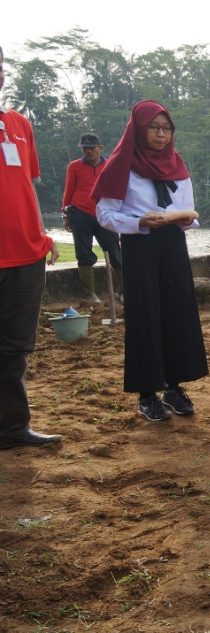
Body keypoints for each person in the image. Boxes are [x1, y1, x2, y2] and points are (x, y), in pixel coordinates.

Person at [94, 100, 209, 422]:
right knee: (145, 314)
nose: (161, 135)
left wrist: (182, 218)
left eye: (166, 128)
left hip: (172, 242)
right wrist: (138, 223)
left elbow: (189, 210)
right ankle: (147, 393)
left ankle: (175, 386)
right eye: (154, 128)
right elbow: (104, 213)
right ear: (139, 129)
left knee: (177, 311)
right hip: (139, 244)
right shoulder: (121, 164)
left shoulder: (177, 163)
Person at [0, 45, 63, 450]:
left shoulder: (20, 124)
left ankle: (10, 429)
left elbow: (25, 187)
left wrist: (42, 236)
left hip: (26, 254)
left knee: (14, 350)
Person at [61, 133, 123, 303]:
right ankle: (90, 294)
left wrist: (121, 213)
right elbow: (69, 190)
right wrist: (66, 215)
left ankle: (123, 291)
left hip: (105, 213)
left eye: (91, 148)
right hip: (80, 213)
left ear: (100, 148)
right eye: (85, 148)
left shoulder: (111, 165)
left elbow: (118, 190)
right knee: (83, 253)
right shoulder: (74, 166)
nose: (88, 151)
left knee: (115, 251)